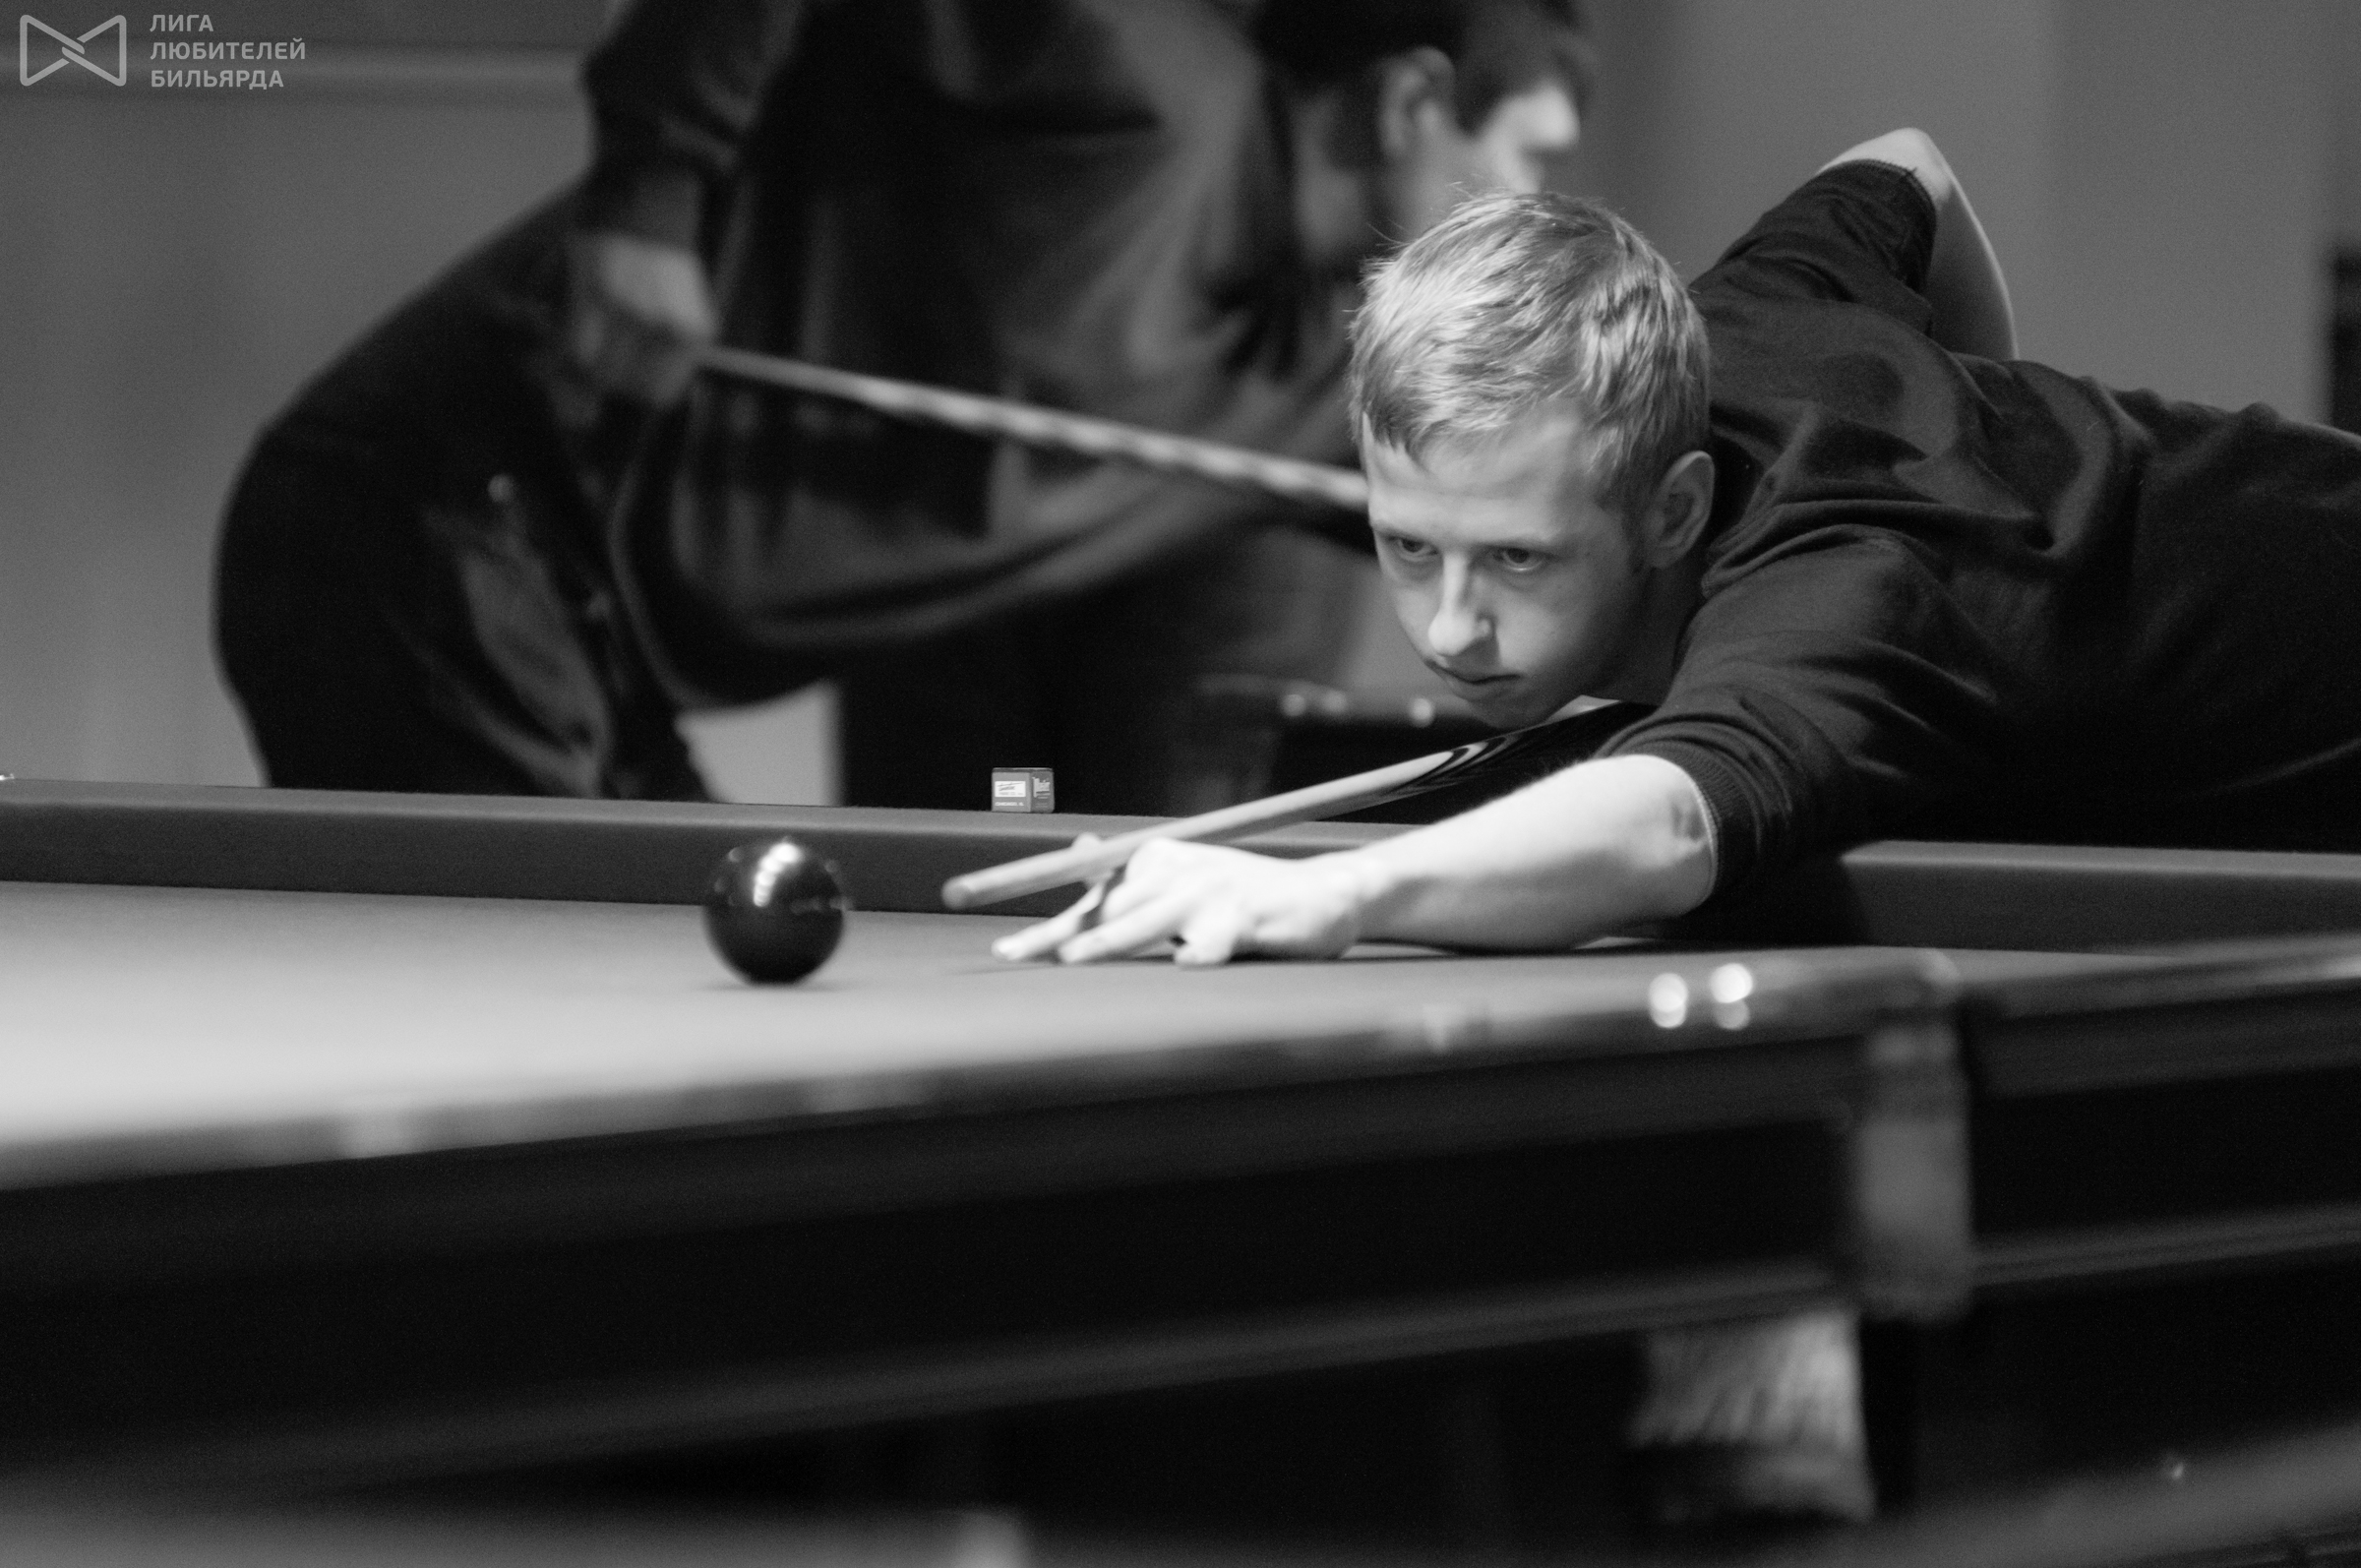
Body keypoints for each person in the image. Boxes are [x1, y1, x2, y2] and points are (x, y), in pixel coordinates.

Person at [999, 125, 2361, 968]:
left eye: (1518, 561)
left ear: (1673, 509)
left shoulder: (1847, 594)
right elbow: (1907, 166)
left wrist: (1339, 892)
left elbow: (1663, 824)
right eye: (1409, 547)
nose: (1449, 628)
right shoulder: (1730, 315)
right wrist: (1981, 432)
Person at [214, 0, 1591, 811]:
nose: (1527, 207)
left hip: (587, 639)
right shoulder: (1133, 72)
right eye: (1526, 153)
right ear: (1411, 101)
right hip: (426, 523)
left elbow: (1534, 492)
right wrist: (651, 188)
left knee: (699, 1052)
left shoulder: (1301, 372)